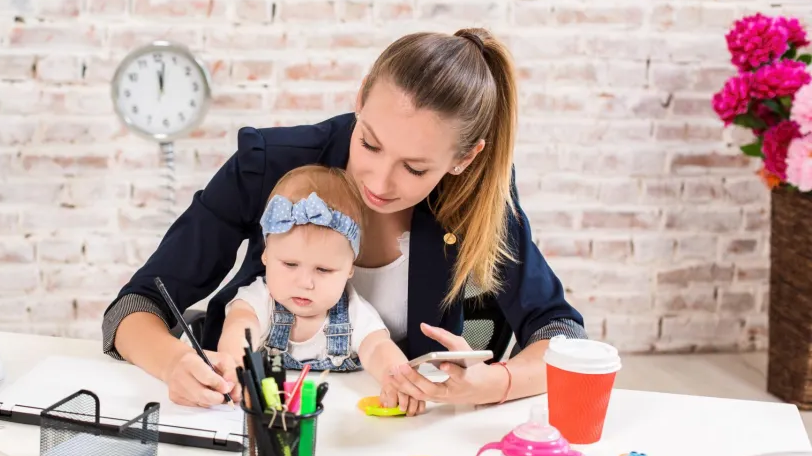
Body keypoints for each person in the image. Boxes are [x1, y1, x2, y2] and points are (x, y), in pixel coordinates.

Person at [103, 28, 586, 412]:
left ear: (463, 158)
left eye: (415, 168)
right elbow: (133, 308)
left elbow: (562, 335)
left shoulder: (479, 198)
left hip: (381, 424)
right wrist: (176, 364)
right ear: (360, 98)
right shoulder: (269, 164)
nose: (378, 180)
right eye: (370, 142)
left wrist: (495, 383)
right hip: (240, 410)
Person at [217, 164, 411, 405]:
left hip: (337, 413)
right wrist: (235, 363)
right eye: (290, 264)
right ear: (266, 255)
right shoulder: (261, 299)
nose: (305, 283)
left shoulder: (352, 310)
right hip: (273, 412)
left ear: (350, 269)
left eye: (323, 270)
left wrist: (397, 379)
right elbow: (241, 324)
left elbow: (378, 347)